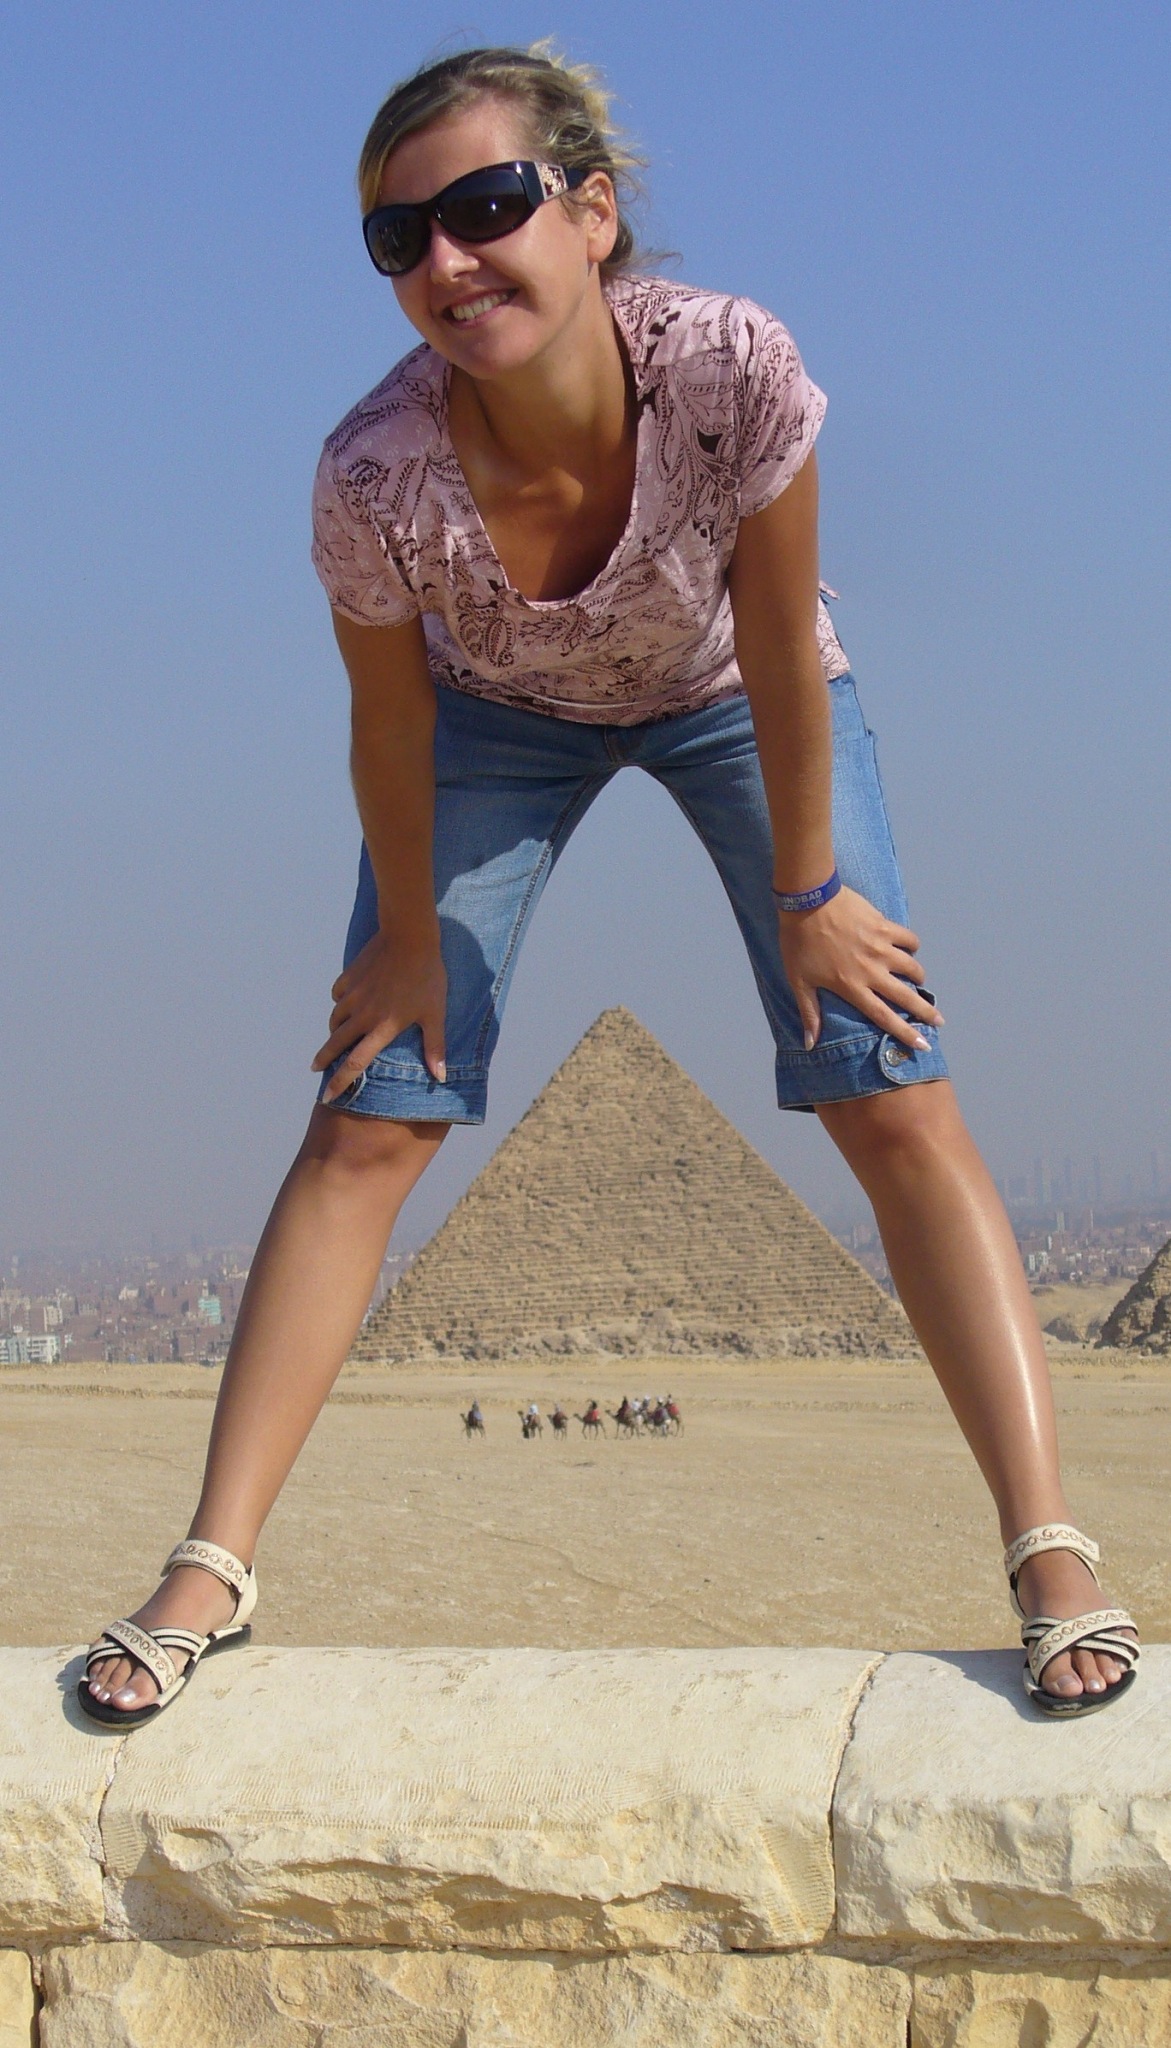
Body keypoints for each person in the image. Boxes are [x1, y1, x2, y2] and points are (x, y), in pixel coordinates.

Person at [82, 43, 1137, 1728]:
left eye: (487, 206)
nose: (447, 259)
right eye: (400, 237)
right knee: (371, 1110)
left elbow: (780, 642)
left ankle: (1049, 1546)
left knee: (886, 1074)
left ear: (592, 210)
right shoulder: (373, 470)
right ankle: (213, 1564)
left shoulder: (729, 366)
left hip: (733, 691)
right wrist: (409, 939)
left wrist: (813, 894)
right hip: (490, 721)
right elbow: (388, 721)